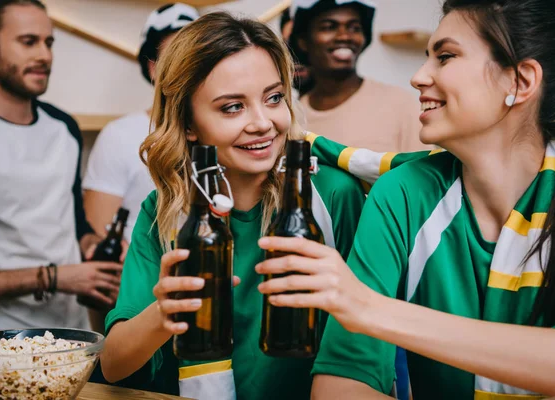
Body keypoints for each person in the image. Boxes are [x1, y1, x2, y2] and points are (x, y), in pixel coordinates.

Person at [256, 0, 555, 398]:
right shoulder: (404, 193)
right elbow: (340, 384)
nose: (419, 77)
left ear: (521, 81)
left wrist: (372, 310)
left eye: (445, 56)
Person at [100, 12, 366, 399]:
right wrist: (164, 313)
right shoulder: (165, 211)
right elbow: (113, 364)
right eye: (232, 107)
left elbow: (363, 348)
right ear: (189, 124)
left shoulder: (332, 195)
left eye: (274, 98)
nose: (262, 123)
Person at [0, 0, 123, 332]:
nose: (45, 55)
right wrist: (54, 277)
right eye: (29, 42)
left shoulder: (63, 128)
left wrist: (94, 246)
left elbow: (75, 225)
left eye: (49, 42)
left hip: (74, 333)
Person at [83, 3, 199, 243]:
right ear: (153, 68)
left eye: (196, 57)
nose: (187, 68)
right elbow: (97, 234)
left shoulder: (222, 131)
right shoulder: (119, 135)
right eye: (175, 57)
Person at [289, 0, 427, 152]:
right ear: (303, 41)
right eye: (328, 27)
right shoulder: (293, 117)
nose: (345, 36)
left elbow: (422, 173)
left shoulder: (401, 105)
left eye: (355, 28)